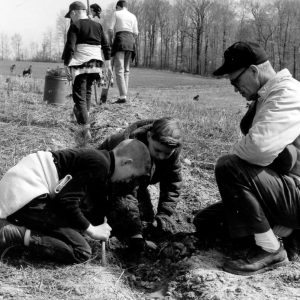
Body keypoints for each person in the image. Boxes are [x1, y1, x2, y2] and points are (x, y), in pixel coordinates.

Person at [194, 41, 300, 276]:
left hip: (295, 191)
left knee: (229, 166)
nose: (235, 89)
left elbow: (258, 149)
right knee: (206, 222)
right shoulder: (266, 94)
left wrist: (240, 150)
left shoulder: (288, 92)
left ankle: (271, 249)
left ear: (253, 70)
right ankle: (284, 233)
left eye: (235, 81)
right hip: (283, 189)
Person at [0, 139, 151, 264]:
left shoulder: (100, 160)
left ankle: (21, 227)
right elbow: (65, 201)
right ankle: (13, 234)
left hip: (23, 188)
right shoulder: (100, 165)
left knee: (72, 228)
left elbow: (73, 201)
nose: (128, 181)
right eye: (131, 176)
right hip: (26, 191)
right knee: (82, 251)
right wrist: (92, 230)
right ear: (126, 163)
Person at [97, 117, 182, 244]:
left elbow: (172, 183)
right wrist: (136, 234)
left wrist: (164, 215)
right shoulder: (130, 148)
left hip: (137, 184)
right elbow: (125, 192)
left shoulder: (171, 151)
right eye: (157, 150)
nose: (161, 157)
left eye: (167, 153)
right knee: (124, 226)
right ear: (149, 136)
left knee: (148, 223)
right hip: (106, 181)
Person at [62, 1, 112, 140]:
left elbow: (70, 47)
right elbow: (106, 46)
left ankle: (85, 129)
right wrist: (107, 64)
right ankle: (85, 119)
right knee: (87, 92)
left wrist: (66, 63)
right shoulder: (98, 25)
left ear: (73, 13)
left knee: (79, 96)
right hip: (96, 65)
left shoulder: (75, 25)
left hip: (81, 65)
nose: (71, 19)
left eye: (70, 16)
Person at [108, 0, 138, 104]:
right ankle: (124, 95)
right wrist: (130, 40)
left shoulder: (116, 13)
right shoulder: (133, 16)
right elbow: (136, 33)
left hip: (120, 41)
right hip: (130, 43)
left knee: (119, 69)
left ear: (118, 6)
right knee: (126, 70)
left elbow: (110, 30)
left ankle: (122, 96)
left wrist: (111, 40)